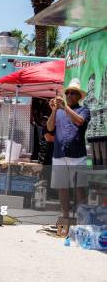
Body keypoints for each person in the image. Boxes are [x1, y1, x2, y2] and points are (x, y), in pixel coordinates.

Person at [47, 78, 91, 219]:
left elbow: (79, 121)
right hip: (59, 155)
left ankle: (82, 219)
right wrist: (54, 110)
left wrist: (64, 107)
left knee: (79, 189)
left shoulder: (83, 110)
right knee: (62, 188)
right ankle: (65, 217)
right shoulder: (59, 111)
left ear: (79, 96)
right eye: (68, 93)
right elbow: (49, 127)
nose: (69, 95)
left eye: (73, 93)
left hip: (77, 156)